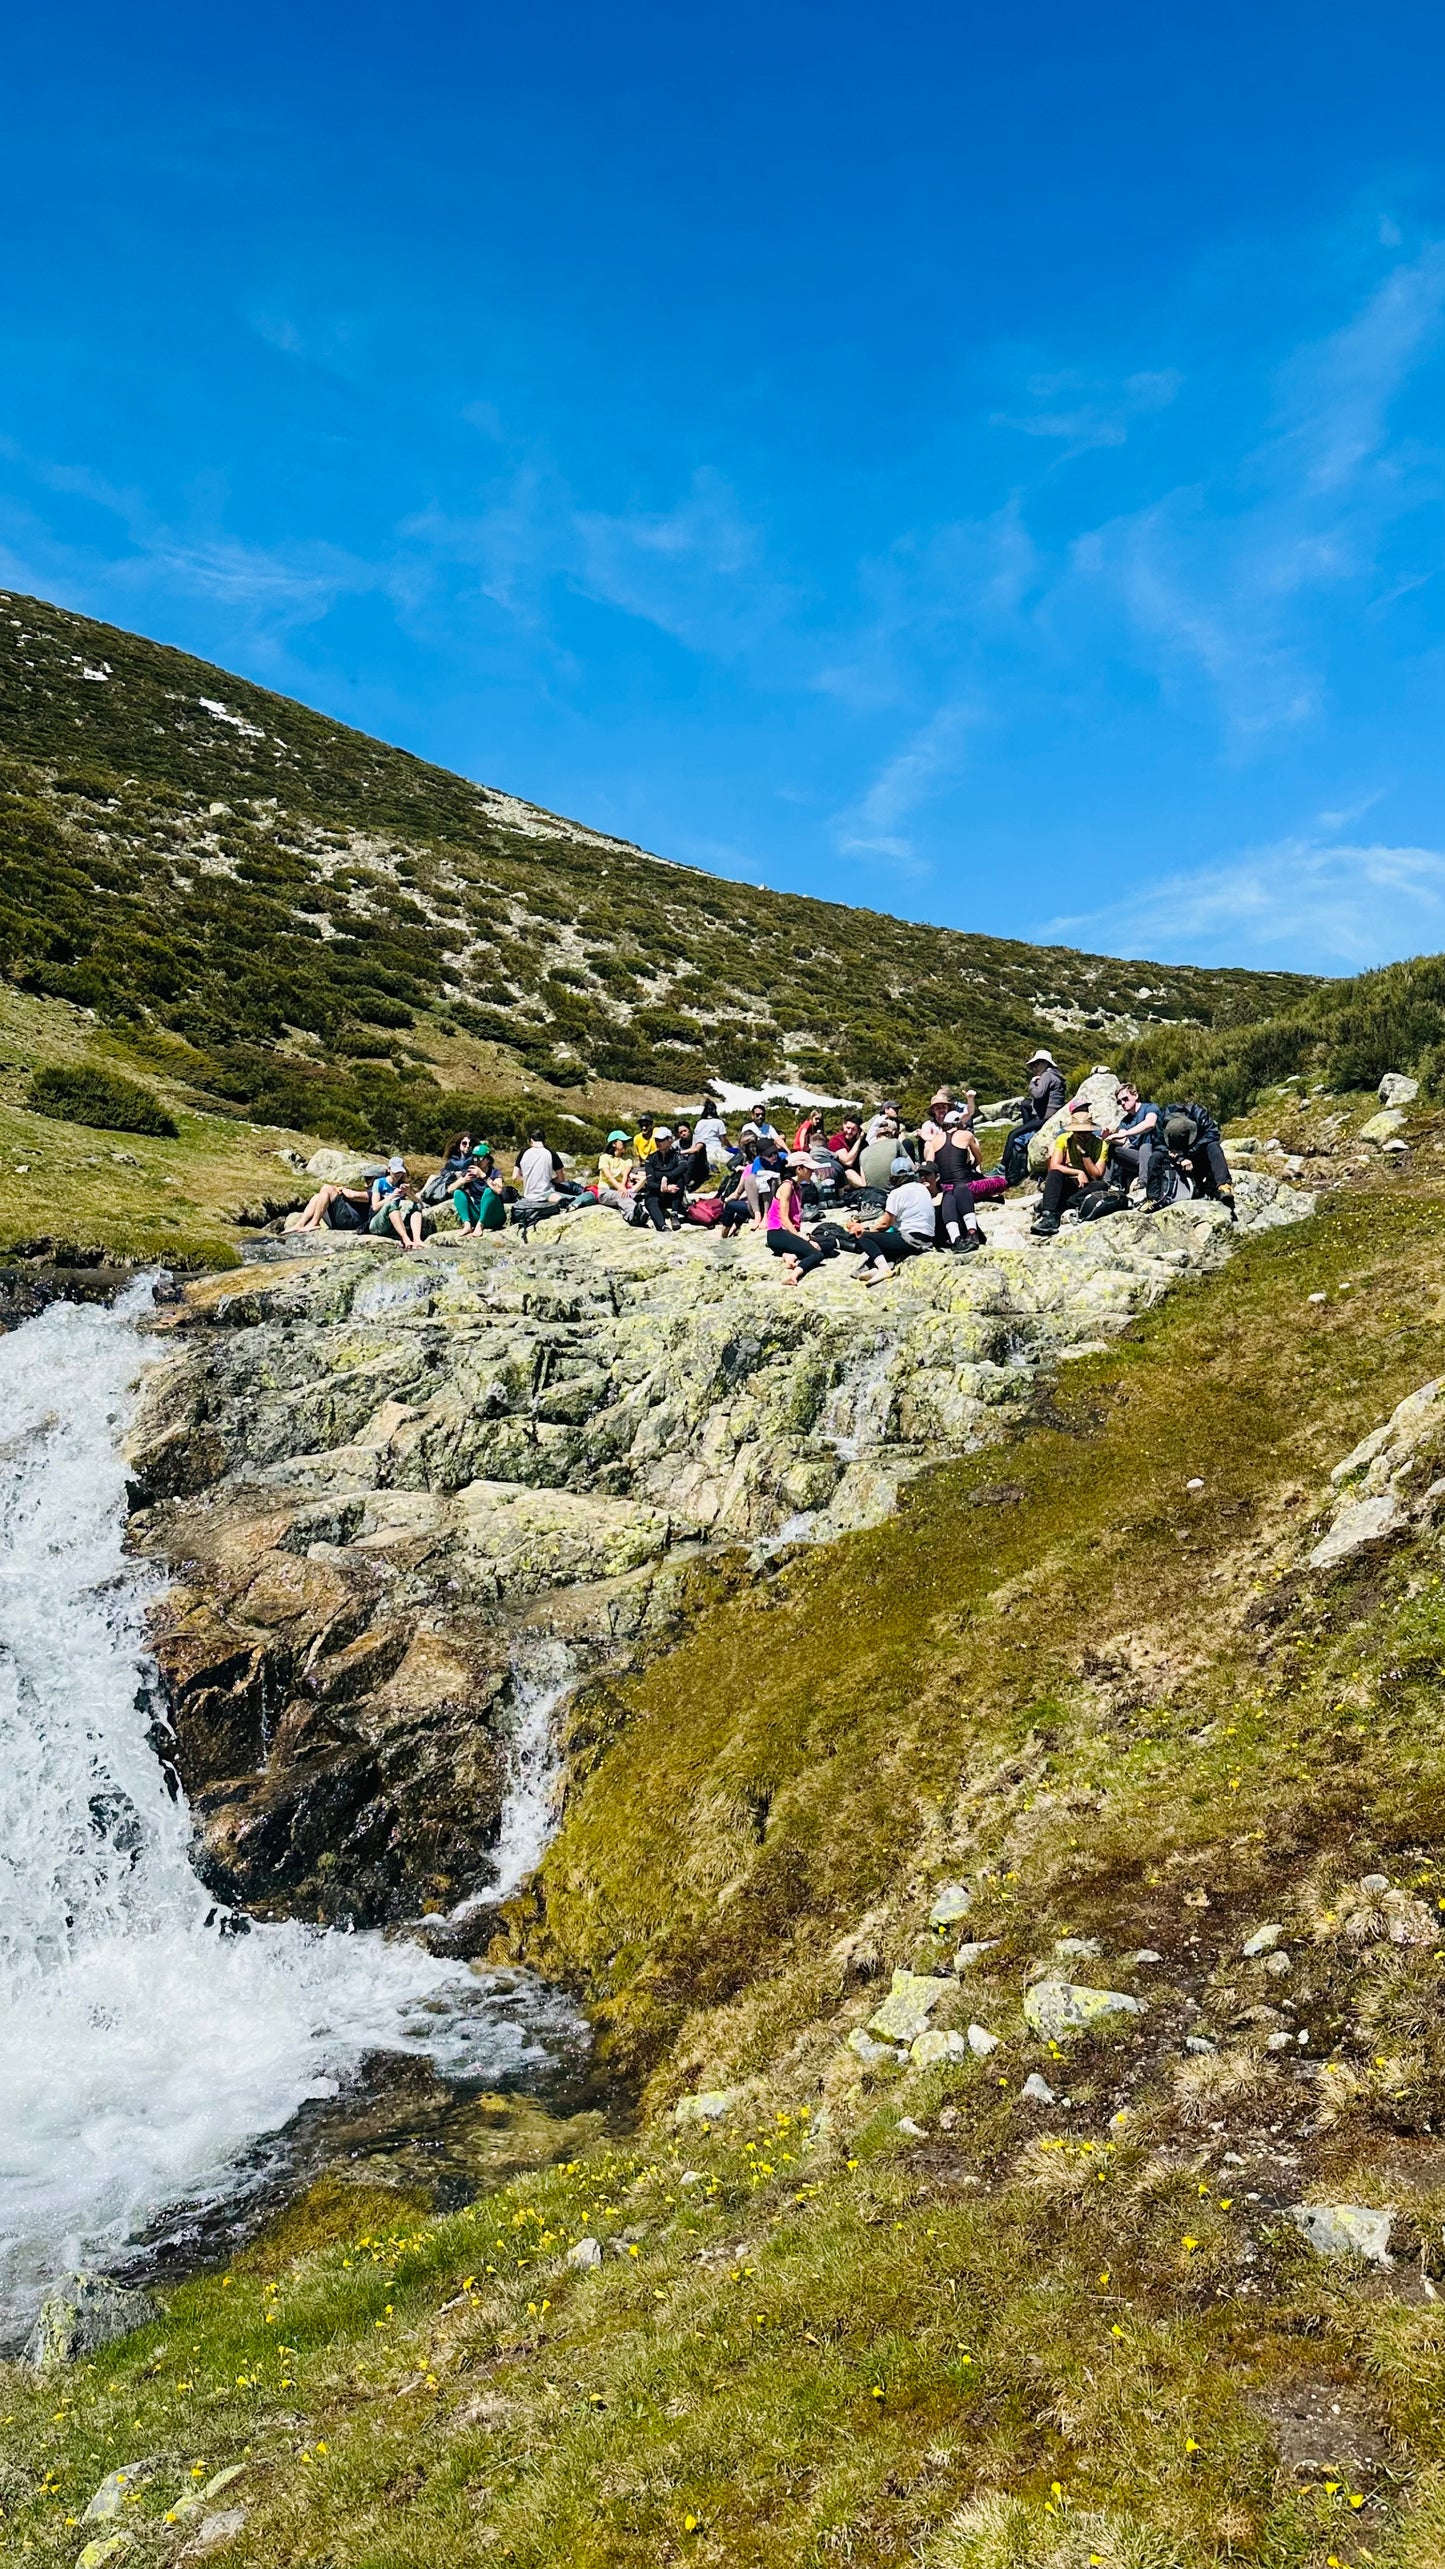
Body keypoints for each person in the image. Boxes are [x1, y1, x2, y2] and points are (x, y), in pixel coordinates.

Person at [849, 1160, 940, 1283]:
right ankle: (875, 1268)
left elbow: (885, 1224)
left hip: (910, 1239)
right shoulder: (922, 1188)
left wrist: (868, 1231)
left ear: (894, 1177)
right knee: (887, 1242)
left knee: (866, 1238)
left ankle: (883, 1268)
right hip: (928, 1238)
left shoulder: (896, 1193)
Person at [1030, 1102, 1106, 1236]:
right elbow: (1055, 1165)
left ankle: (1058, 1205)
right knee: (1055, 1174)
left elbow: (1097, 1174)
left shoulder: (1100, 1144)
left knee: (1101, 1185)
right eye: (1078, 1132)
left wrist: (1084, 1153)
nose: (1082, 1135)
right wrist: (1078, 1172)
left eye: (1085, 1132)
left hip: (1086, 1185)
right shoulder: (1063, 1139)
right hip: (1068, 1181)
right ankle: (1049, 1216)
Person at [1001, 1050, 1067, 1185]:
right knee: (1025, 1104)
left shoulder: (1047, 1075)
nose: (1034, 1068)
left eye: (1036, 1065)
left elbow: (1038, 1094)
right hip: (1052, 1115)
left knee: (1013, 1134)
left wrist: (1032, 1083)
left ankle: (1002, 1168)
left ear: (1044, 1063)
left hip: (1045, 1117)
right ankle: (1030, 1131)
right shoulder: (1057, 1076)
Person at [1157, 1105, 1236, 1217]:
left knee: (1213, 1147)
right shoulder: (1161, 1119)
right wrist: (1179, 1157)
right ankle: (1157, 1196)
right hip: (1176, 1159)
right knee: (1157, 1155)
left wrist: (1189, 1152)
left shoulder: (1199, 1115)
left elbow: (1213, 1134)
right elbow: (1158, 1143)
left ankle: (1224, 1186)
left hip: (1199, 1154)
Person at [765, 1160, 826, 1282]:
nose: (812, 1172)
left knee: (829, 1243)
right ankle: (795, 1274)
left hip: (786, 1233)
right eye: (809, 1169)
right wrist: (801, 1238)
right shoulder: (787, 1186)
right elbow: (784, 1218)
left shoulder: (797, 1187)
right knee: (817, 1254)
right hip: (778, 1232)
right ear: (799, 1169)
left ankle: (789, 1254)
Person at [932, 1122, 986, 1252]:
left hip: (946, 1185)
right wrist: (972, 1167)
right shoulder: (967, 1135)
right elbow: (979, 1159)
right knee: (960, 1188)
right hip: (965, 1184)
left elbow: (930, 1164)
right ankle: (972, 1233)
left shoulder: (935, 1140)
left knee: (949, 1194)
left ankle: (956, 1239)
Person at [1100, 1085, 1162, 1196]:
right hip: (1138, 1158)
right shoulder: (1125, 1120)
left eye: (1125, 1099)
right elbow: (1122, 1139)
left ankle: (1143, 1183)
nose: (1123, 1103)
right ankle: (1105, 1184)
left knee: (1145, 1144)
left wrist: (1127, 1133)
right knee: (1113, 1149)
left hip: (1155, 1155)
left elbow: (1150, 1124)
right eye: (1119, 1102)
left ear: (1135, 1095)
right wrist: (1109, 1136)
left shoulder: (1150, 1108)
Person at [639, 1126, 689, 1229]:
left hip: (673, 1194)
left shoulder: (676, 1155)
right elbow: (650, 1181)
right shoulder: (651, 1159)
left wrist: (666, 1177)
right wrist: (663, 1188)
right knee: (650, 1200)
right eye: (656, 1140)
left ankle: (674, 1214)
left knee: (679, 1178)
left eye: (661, 1140)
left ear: (669, 1140)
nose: (658, 1142)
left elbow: (684, 1166)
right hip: (657, 1192)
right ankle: (662, 1226)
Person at [370, 1164, 427, 1249]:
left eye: (400, 1172)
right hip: (378, 1224)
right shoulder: (379, 1182)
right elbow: (375, 1207)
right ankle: (406, 1239)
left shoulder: (401, 1184)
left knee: (415, 1206)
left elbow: (420, 1205)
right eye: (396, 1172)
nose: (398, 1175)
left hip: (395, 1225)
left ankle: (417, 1239)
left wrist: (409, 1193)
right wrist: (392, 1196)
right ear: (389, 1170)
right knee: (391, 1205)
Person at [452, 1152, 507, 1235]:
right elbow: (450, 1189)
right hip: (478, 1214)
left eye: (480, 1158)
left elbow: (498, 1190)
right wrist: (464, 1180)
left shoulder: (494, 1172)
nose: (477, 1161)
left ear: (488, 1160)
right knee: (458, 1192)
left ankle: (480, 1225)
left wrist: (483, 1176)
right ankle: (467, 1225)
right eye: (475, 1158)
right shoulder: (470, 1172)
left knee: (489, 1191)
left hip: (494, 1216)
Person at [859, 1116, 909, 1195]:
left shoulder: (863, 1152)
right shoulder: (895, 1143)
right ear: (893, 1133)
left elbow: (864, 1182)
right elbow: (911, 1167)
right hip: (891, 1194)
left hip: (872, 1196)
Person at [595, 1129, 636, 1212]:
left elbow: (625, 1175)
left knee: (631, 1196)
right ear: (614, 1144)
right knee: (622, 1196)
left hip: (621, 1189)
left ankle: (633, 1214)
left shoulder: (628, 1159)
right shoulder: (604, 1158)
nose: (625, 1145)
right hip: (605, 1191)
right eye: (622, 1142)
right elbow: (609, 1176)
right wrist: (620, 1187)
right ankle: (634, 1213)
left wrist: (622, 1187)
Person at [518, 1129, 558, 1205]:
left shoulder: (524, 1152)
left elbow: (515, 1176)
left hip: (528, 1196)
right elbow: (561, 1178)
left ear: (530, 1140)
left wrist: (529, 1179)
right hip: (546, 1196)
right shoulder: (550, 1153)